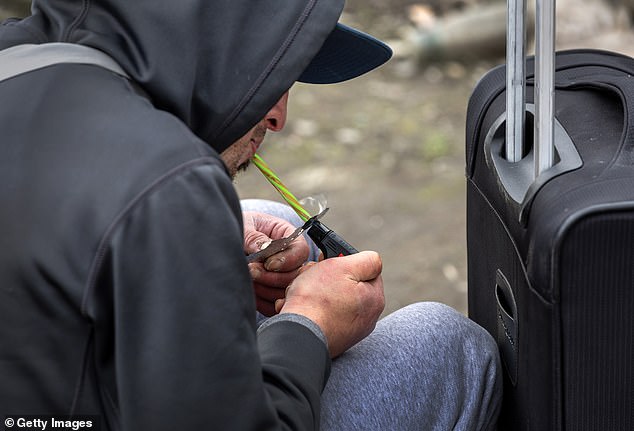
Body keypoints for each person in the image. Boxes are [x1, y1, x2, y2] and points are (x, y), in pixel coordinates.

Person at [0, 0, 501, 429]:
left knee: (262, 213)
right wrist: (309, 325)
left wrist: (200, 246)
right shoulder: (165, 185)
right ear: (215, 38)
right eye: (273, 73)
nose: (279, 116)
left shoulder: (23, 63)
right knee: (446, 345)